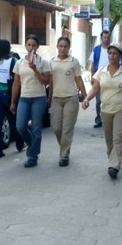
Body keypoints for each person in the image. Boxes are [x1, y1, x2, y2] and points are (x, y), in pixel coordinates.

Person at [82, 44, 122, 180]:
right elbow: (95, 88)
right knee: (109, 139)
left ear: (120, 56)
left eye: (115, 53)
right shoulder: (101, 71)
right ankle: (113, 160)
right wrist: (87, 98)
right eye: (110, 53)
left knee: (117, 138)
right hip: (106, 110)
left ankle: (114, 166)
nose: (112, 56)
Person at [10, 34, 50, 168]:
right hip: (24, 98)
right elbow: (16, 83)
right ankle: (32, 144)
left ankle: (32, 156)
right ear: (25, 46)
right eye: (29, 45)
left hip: (39, 97)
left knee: (36, 127)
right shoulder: (19, 63)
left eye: (34, 45)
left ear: (37, 47)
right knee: (20, 126)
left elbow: (46, 81)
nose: (31, 47)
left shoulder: (43, 62)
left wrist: (35, 70)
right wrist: (12, 101)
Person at [48, 37, 87, 167]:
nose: (63, 49)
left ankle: (64, 155)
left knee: (67, 128)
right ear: (57, 47)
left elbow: (79, 79)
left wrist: (85, 96)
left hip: (71, 98)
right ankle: (65, 148)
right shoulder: (52, 62)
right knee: (56, 127)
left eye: (65, 46)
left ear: (69, 47)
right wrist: (49, 97)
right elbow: (51, 82)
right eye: (60, 46)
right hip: (56, 98)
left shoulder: (73, 61)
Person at [0, 39, 24, 158]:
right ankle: (20, 145)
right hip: (8, 93)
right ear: (8, 48)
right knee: (15, 120)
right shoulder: (13, 61)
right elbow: (16, 80)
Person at [89, 31, 111, 128]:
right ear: (101, 38)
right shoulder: (96, 49)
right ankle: (98, 119)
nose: (106, 39)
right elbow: (93, 64)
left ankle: (108, 119)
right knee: (98, 101)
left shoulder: (112, 49)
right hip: (98, 77)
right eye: (104, 37)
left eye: (107, 37)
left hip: (110, 77)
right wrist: (92, 77)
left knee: (108, 100)